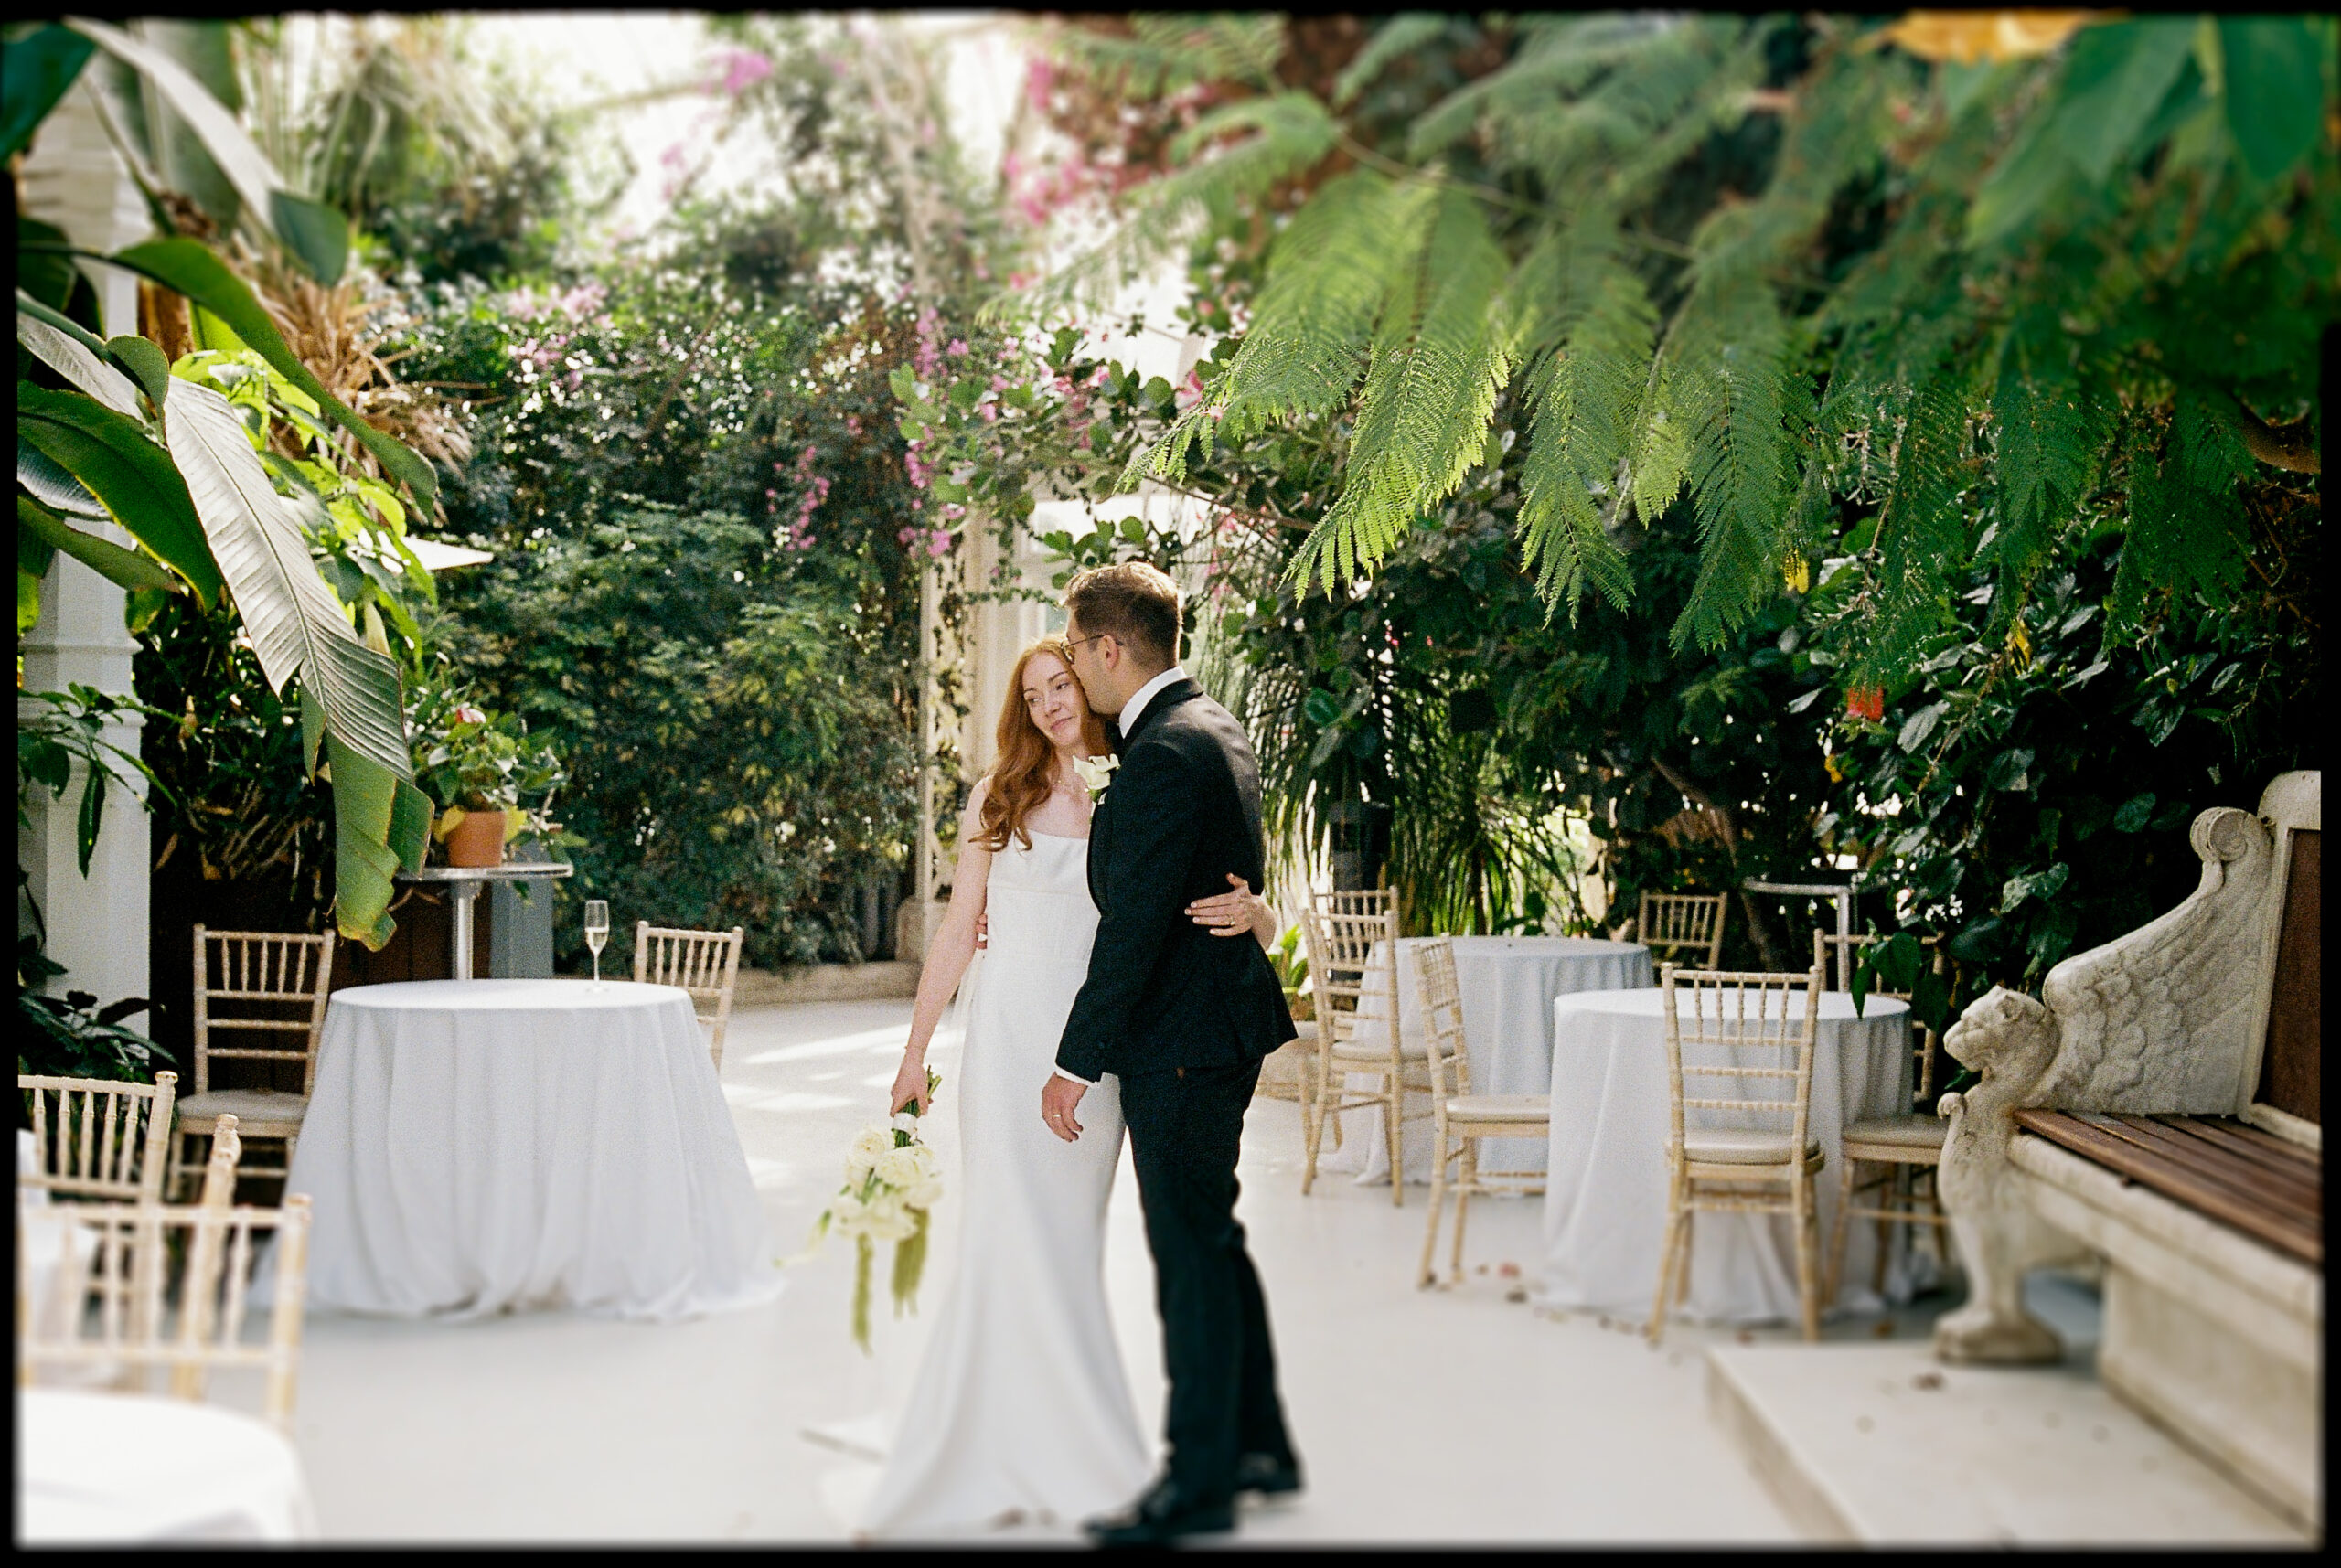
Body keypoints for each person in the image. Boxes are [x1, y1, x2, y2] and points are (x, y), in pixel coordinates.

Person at [854, 635, 1280, 1541]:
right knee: (1006, 1235)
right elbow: (954, 930)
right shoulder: (995, 796)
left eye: (1062, 682)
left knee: (1068, 1244)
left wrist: (1265, 914)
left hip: (1096, 1052)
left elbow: (1191, 900)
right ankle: (991, 1438)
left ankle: (1079, 1439)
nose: (1051, 701)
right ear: (1019, 705)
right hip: (1009, 1041)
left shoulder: (1137, 780)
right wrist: (913, 1051)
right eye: (1034, 690)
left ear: (1087, 684)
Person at [1042, 561, 1303, 1546]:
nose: (1074, 666)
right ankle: (1261, 1443)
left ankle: (1198, 1483)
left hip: (1184, 1040)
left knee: (1188, 1256)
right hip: (1219, 1025)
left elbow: (1135, 927)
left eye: (1075, 649)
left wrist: (1074, 1060)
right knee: (1213, 1239)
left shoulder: (1160, 753)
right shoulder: (1215, 724)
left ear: (1110, 649)